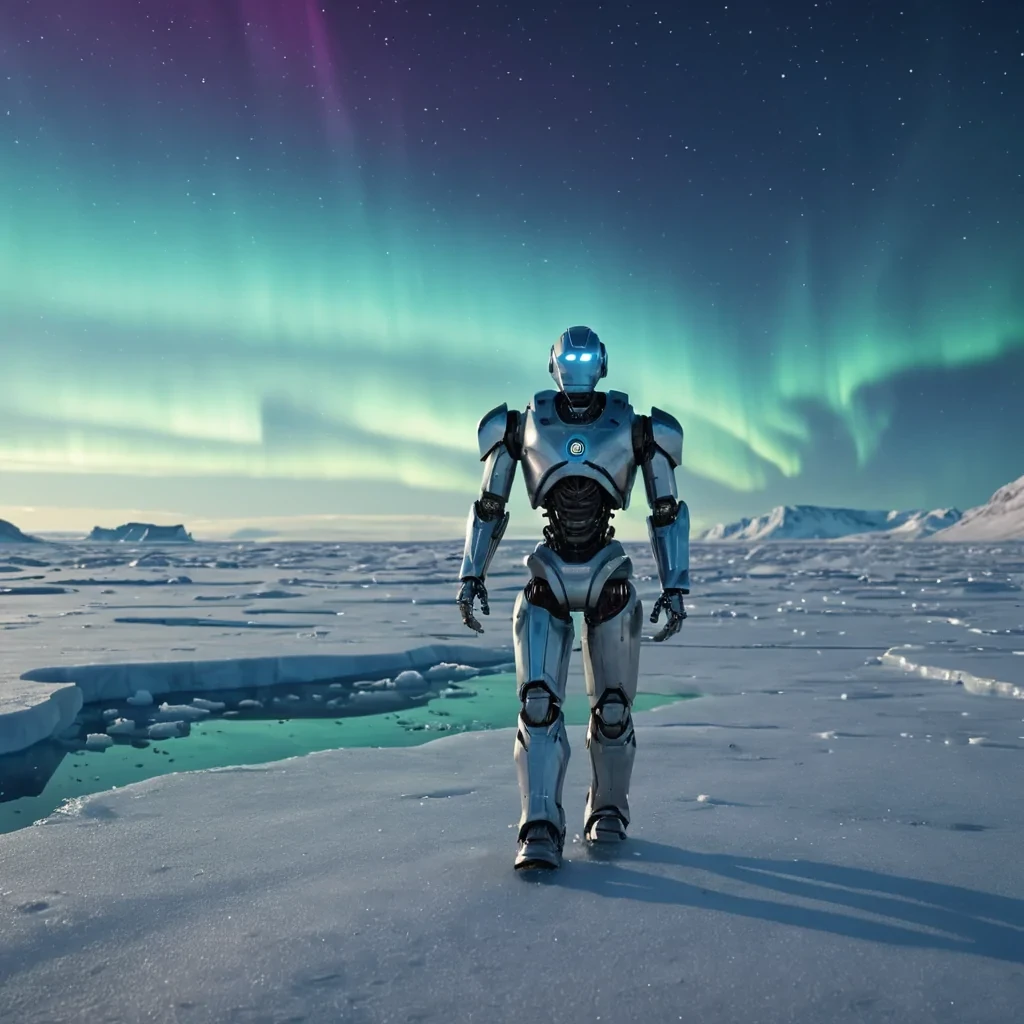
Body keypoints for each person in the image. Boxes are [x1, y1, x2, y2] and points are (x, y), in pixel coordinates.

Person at [456, 326, 690, 870]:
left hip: (607, 570)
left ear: (601, 364)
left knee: (613, 709)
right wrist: (471, 573)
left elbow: (667, 510)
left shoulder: (637, 428)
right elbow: (490, 504)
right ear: (555, 364)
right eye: (571, 358)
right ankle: (539, 824)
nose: (578, 367)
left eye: (587, 359)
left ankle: (608, 811)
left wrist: (675, 584)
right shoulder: (521, 425)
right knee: (537, 704)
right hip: (550, 568)